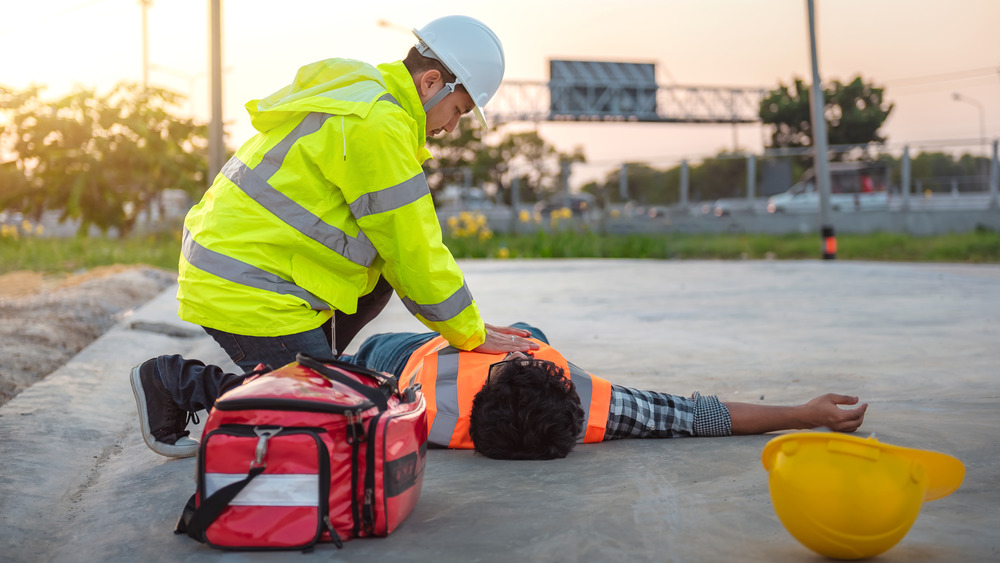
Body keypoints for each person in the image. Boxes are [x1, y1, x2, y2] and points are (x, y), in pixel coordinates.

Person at [132, 15, 541, 456]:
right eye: (458, 110)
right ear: (431, 82)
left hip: (247, 268)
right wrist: (471, 333)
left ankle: (312, 374)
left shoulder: (361, 92)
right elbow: (416, 250)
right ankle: (175, 383)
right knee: (340, 420)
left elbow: (399, 256)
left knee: (378, 284)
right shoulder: (376, 124)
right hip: (245, 285)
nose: (450, 127)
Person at [131, 323, 868, 460]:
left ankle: (178, 380)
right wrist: (801, 413)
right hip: (413, 346)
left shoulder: (410, 409)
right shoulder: (595, 407)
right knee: (323, 388)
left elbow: (698, 412)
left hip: (401, 356)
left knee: (326, 383)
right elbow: (696, 415)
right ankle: (194, 381)